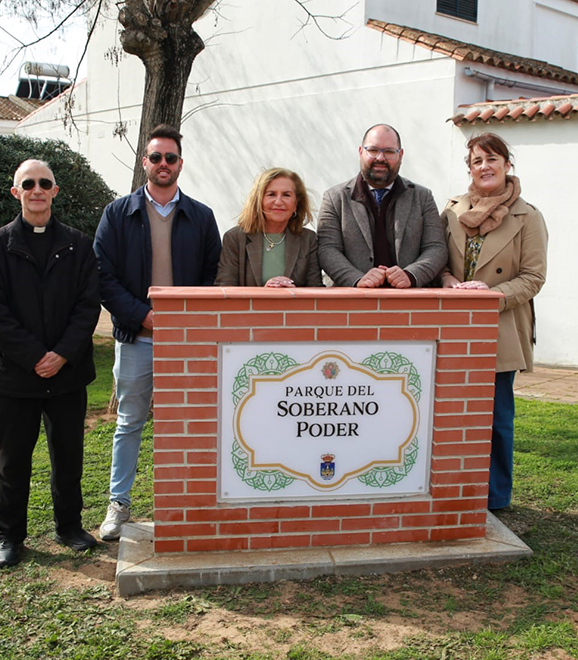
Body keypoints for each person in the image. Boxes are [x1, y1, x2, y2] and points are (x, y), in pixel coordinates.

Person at [93, 124, 221, 541]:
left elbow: (211, 278)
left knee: (185, 423)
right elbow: (103, 276)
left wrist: (184, 320)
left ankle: (182, 506)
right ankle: (119, 505)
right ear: (144, 162)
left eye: (170, 158)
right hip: (136, 339)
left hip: (185, 343)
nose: (162, 164)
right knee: (129, 421)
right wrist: (143, 317)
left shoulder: (201, 216)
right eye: (155, 157)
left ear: (180, 164)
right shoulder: (118, 213)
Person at [0, 159, 102, 568]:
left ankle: (69, 527)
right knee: (12, 461)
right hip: (16, 376)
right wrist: (35, 357)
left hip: (67, 375)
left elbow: (87, 307)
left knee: (68, 457)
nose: (36, 190)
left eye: (44, 183)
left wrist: (61, 354)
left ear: (55, 191)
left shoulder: (79, 245)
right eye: (28, 184)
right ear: (16, 192)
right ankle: (10, 536)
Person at [437, 133, 548, 512]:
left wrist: (489, 293)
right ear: (469, 167)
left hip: (499, 325)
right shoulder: (451, 210)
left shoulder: (528, 216)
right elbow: (437, 260)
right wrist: (449, 282)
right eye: (477, 160)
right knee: (450, 415)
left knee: (497, 417)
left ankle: (496, 498)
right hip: (453, 326)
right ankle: (452, 490)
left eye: (492, 159)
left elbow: (534, 277)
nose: (485, 166)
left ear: (507, 165)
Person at [317, 124, 447, 289]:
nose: (380, 158)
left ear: (400, 155)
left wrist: (411, 275)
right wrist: (357, 279)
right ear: (360, 152)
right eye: (373, 150)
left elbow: (436, 247)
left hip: (410, 301)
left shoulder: (422, 197)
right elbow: (327, 249)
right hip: (352, 301)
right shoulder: (334, 197)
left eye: (389, 151)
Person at [216, 168, 322, 287]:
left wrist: (293, 294)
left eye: (286, 195)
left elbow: (316, 290)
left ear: (296, 204)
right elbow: (225, 289)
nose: (278, 201)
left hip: (295, 306)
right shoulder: (235, 238)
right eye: (271, 194)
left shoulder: (308, 239)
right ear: (259, 201)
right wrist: (265, 295)